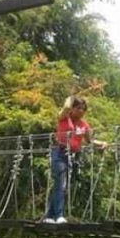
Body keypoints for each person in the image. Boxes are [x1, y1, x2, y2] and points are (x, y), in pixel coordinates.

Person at [45, 96, 108, 224]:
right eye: (78, 108)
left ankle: (49, 217)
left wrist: (101, 143)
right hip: (59, 153)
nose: (81, 111)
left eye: (83, 109)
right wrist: (71, 97)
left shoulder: (84, 125)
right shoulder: (64, 117)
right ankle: (59, 216)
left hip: (73, 156)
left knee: (61, 185)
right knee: (61, 185)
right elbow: (67, 107)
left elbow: (90, 140)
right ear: (72, 108)